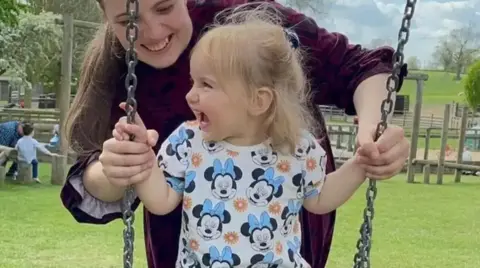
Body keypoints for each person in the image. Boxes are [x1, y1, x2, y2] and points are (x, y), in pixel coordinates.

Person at [60, 0, 410, 267]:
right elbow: (153, 195)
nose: (151, 32)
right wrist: (131, 165)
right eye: (128, 23)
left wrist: (369, 146)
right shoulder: (183, 138)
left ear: (261, 99)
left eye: (165, 7)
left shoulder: (253, 30)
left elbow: (359, 67)